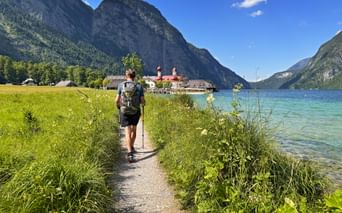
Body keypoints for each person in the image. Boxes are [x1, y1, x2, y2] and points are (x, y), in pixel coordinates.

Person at [115, 69, 145, 163]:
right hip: (135, 111)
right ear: (134, 76)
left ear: (126, 76)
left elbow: (116, 100)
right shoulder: (139, 86)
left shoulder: (121, 85)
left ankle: (129, 153)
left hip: (124, 111)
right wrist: (143, 104)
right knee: (134, 130)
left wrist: (119, 106)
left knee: (127, 132)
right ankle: (131, 146)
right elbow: (143, 101)